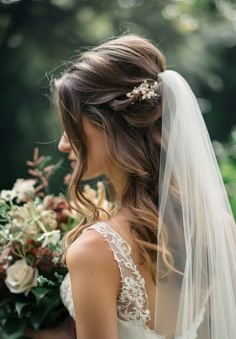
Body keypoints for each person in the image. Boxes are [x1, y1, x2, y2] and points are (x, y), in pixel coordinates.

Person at [31, 34, 236, 338]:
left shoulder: (94, 249)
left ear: (109, 125)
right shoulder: (218, 228)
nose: (63, 144)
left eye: (70, 124)